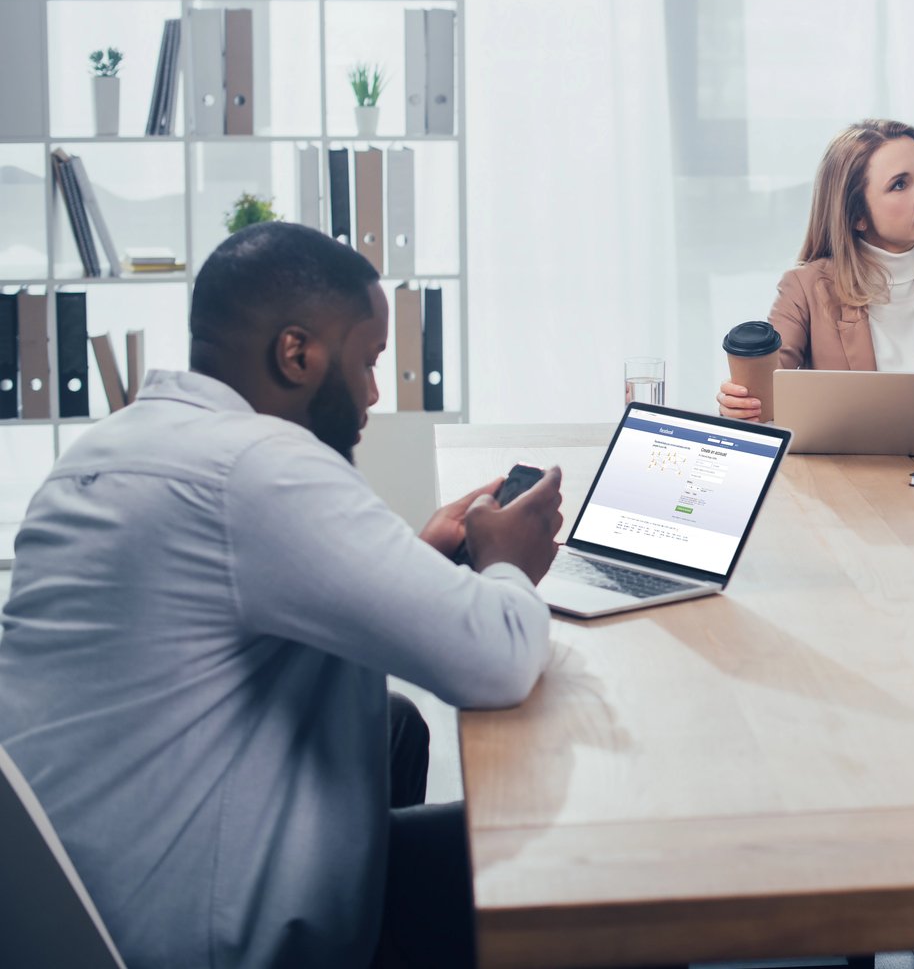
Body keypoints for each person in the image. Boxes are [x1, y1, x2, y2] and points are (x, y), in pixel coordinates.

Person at [0, 222, 567, 969]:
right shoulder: (261, 464)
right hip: (193, 940)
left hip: (77, 912)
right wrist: (508, 564)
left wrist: (416, 558)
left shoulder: (111, 448)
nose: (372, 391)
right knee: (592, 866)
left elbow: (237, 592)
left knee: (395, 726)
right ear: (296, 353)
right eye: (367, 361)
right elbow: (495, 659)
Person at [717, 118, 914, 421]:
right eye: (900, 184)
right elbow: (767, 391)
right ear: (857, 216)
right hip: (846, 473)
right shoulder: (806, 288)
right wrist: (742, 405)